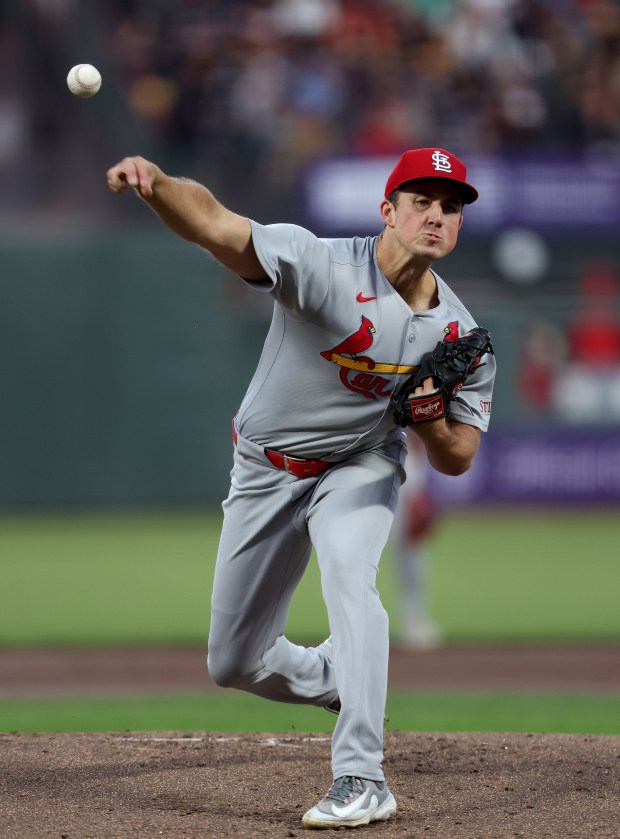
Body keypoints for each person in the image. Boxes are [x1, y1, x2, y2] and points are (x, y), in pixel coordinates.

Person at [106, 147, 496, 829]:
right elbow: (216, 226)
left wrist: (431, 422)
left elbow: (459, 456)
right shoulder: (319, 263)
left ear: (459, 226)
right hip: (265, 469)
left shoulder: (459, 332)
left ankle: (362, 775)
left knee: (351, 574)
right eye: (422, 201)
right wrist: (160, 186)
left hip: (358, 463)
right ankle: (343, 679)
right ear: (388, 211)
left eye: (451, 207)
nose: (437, 215)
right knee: (234, 660)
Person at [391, 429, 443, 649]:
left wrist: (417, 490)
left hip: (401, 467)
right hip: (383, 465)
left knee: (411, 555)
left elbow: (418, 436)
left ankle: (414, 621)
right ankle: (413, 622)